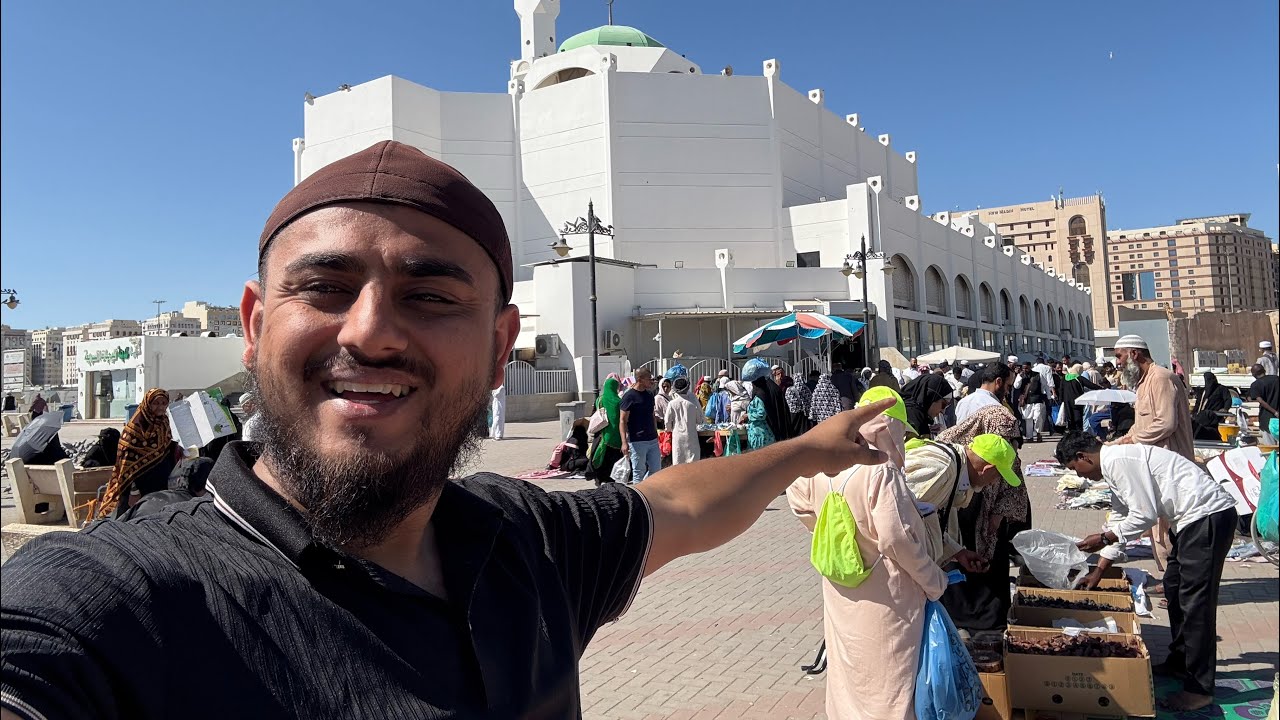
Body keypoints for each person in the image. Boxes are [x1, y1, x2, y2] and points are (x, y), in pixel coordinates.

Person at [0, 140, 900, 719]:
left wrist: (817, 448)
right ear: (252, 323)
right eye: (323, 288)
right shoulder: (123, 604)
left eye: (430, 296)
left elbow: (679, 506)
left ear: (501, 344)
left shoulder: (525, 542)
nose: (370, 331)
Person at [786, 391, 950, 719]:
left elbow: (796, 497)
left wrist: (835, 533)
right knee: (890, 678)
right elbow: (895, 538)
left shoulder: (826, 460)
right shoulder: (879, 468)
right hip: (887, 594)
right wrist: (934, 580)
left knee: (850, 670)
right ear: (888, 427)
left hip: (840, 586)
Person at [1058, 432, 1237, 713]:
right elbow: (1120, 516)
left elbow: (1144, 515)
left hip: (1207, 518)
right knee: (1175, 588)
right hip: (1191, 523)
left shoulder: (1118, 460)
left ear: (1084, 457)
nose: (1079, 476)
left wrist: (1104, 538)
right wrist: (1100, 569)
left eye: (1074, 468)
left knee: (1196, 605)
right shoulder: (1112, 466)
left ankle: (1200, 689)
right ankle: (1180, 661)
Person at [935, 410, 1030, 631]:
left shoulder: (1006, 452)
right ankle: (956, 620)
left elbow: (1015, 490)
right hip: (955, 516)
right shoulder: (950, 450)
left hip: (986, 517)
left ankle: (989, 623)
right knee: (954, 560)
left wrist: (996, 518)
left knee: (986, 568)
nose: (1005, 442)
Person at [94, 388, 181, 519]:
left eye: (164, 403)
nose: (160, 407)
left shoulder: (164, 423)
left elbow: (167, 448)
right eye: (156, 403)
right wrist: (134, 491)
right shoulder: (135, 427)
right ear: (148, 404)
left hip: (160, 484)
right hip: (137, 488)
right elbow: (126, 465)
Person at [1112, 334, 1194, 461]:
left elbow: (1166, 423)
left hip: (1173, 463)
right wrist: (1115, 444)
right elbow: (1141, 426)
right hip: (1156, 460)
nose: (1117, 362)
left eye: (1119, 356)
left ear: (1134, 354)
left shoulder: (1160, 377)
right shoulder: (1143, 381)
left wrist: (1132, 440)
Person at [619, 368, 660, 483]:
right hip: (637, 441)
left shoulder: (649, 395)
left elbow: (652, 415)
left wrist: (656, 431)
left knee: (656, 470)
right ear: (640, 379)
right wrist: (624, 442)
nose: (651, 382)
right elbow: (622, 420)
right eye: (649, 379)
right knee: (638, 472)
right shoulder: (629, 397)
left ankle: (646, 489)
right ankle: (639, 497)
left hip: (652, 438)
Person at [589, 376, 625, 483]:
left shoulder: (599, 400)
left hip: (602, 434)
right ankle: (612, 479)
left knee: (602, 457)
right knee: (614, 459)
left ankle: (599, 479)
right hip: (617, 435)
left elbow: (594, 414)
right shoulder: (619, 401)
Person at [899, 373, 953, 438]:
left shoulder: (916, 413)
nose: (943, 411)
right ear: (932, 397)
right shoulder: (914, 416)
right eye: (943, 405)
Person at [663, 377, 702, 465]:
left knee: (678, 461)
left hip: (677, 436)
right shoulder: (692, 404)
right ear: (688, 388)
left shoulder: (672, 404)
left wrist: (668, 430)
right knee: (693, 462)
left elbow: (667, 422)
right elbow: (699, 420)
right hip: (691, 435)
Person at [1057, 363, 1102, 434]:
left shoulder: (1064, 378)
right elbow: (1091, 385)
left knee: (1070, 419)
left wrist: (1061, 400)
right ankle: (1079, 435)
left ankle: (1071, 435)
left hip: (1067, 402)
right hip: (1078, 402)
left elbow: (1061, 390)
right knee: (1078, 419)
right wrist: (1101, 388)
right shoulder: (1079, 378)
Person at [1190, 371, 1232, 441]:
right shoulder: (1203, 391)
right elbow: (1198, 403)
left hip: (1214, 417)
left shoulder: (1221, 389)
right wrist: (1193, 413)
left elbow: (1228, 400)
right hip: (1202, 417)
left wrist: (1225, 409)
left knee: (1213, 432)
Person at [1248, 363, 1280, 434]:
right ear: (1264, 371)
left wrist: (1275, 412)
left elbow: (1261, 401)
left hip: (1267, 419)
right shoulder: (1276, 379)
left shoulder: (1255, 385)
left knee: (1269, 444)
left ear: (1253, 374)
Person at [785, 371, 815, 435]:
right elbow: (810, 400)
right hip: (803, 413)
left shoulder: (789, 389)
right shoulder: (806, 388)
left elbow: (787, 400)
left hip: (793, 412)